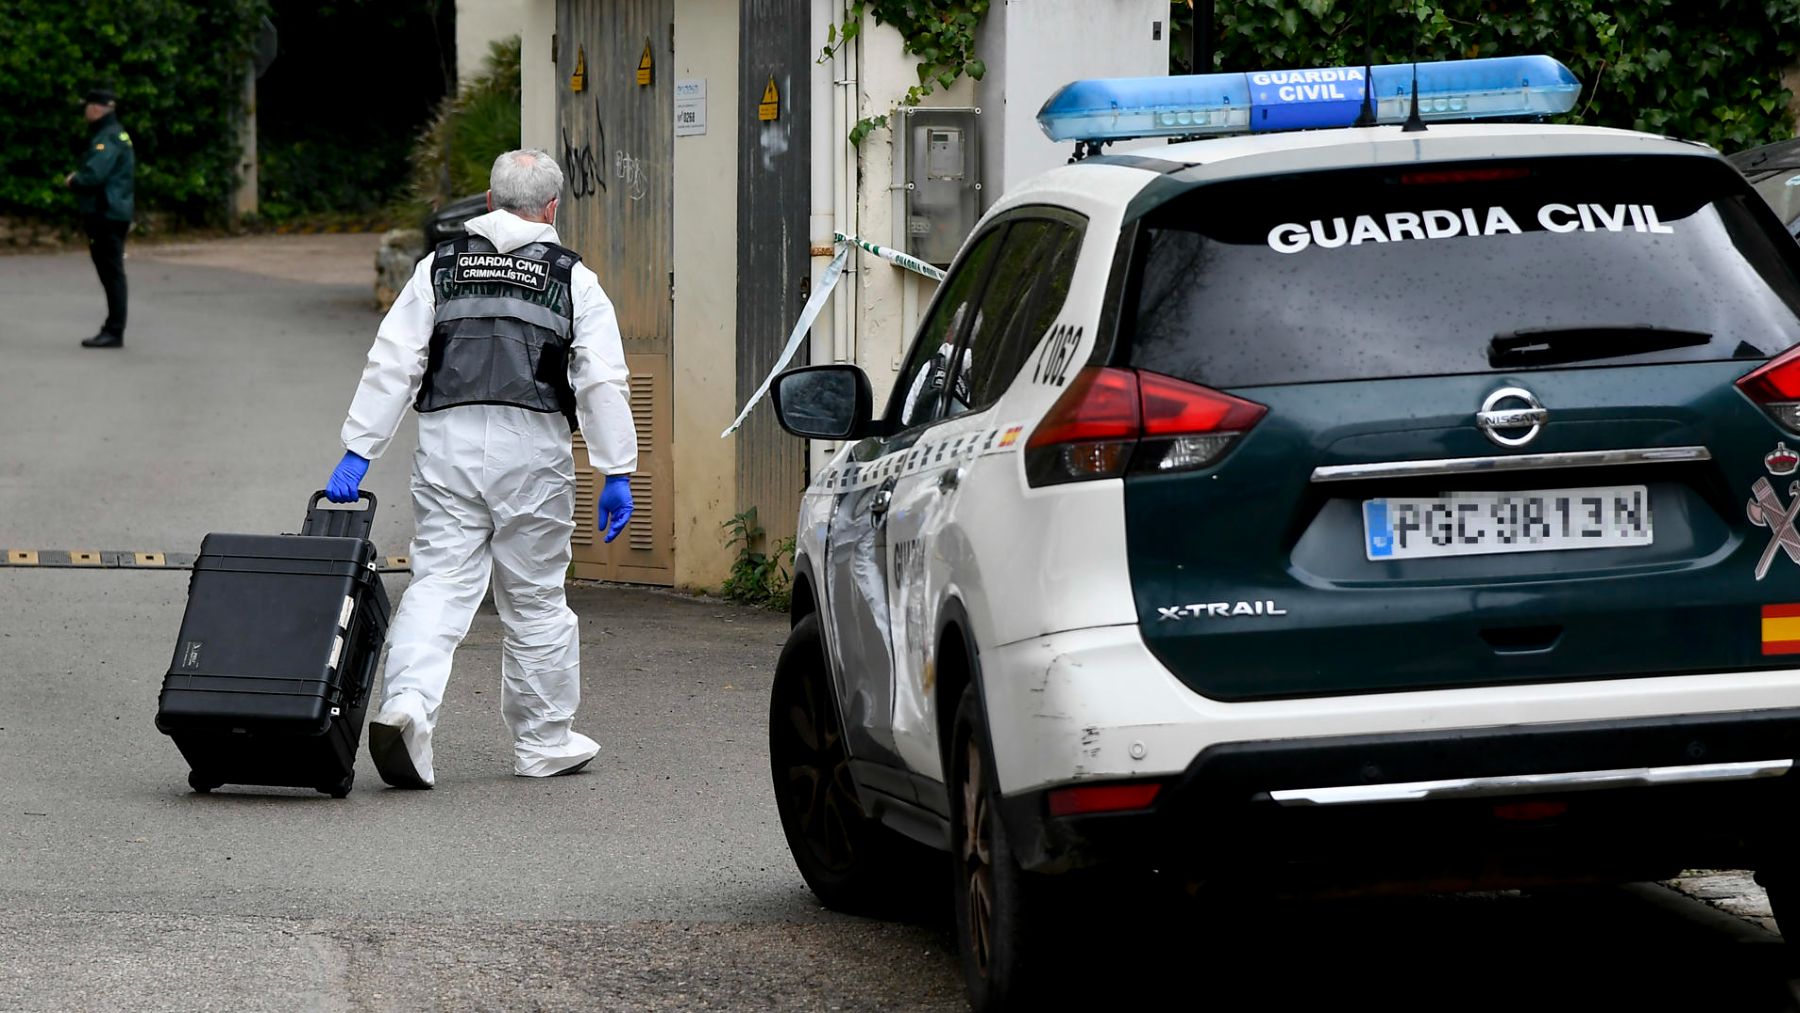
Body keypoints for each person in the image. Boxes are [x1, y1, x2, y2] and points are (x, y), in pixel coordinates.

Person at [324, 149, 638, 789]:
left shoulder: (439, 267)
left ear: (489, 203)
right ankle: (543, 743)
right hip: (534, 450)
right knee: (536, 598)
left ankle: (407, 707)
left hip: (449, 442)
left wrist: (359, 450)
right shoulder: (573, 278)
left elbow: (395, 361)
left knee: (439, 582)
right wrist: (617, 470)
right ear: (552, 209)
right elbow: (600, 379)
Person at [66, 87, 135, 349]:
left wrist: (74, 181)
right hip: (114, 211)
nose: (85, 111)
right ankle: (113, 328)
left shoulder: (107, 138)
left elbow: (94, 176)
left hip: (106, 213)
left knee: (112, 272)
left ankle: (114, 331)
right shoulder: (117, 134)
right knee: (112, 272)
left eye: (87, 106)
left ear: (96, 108)